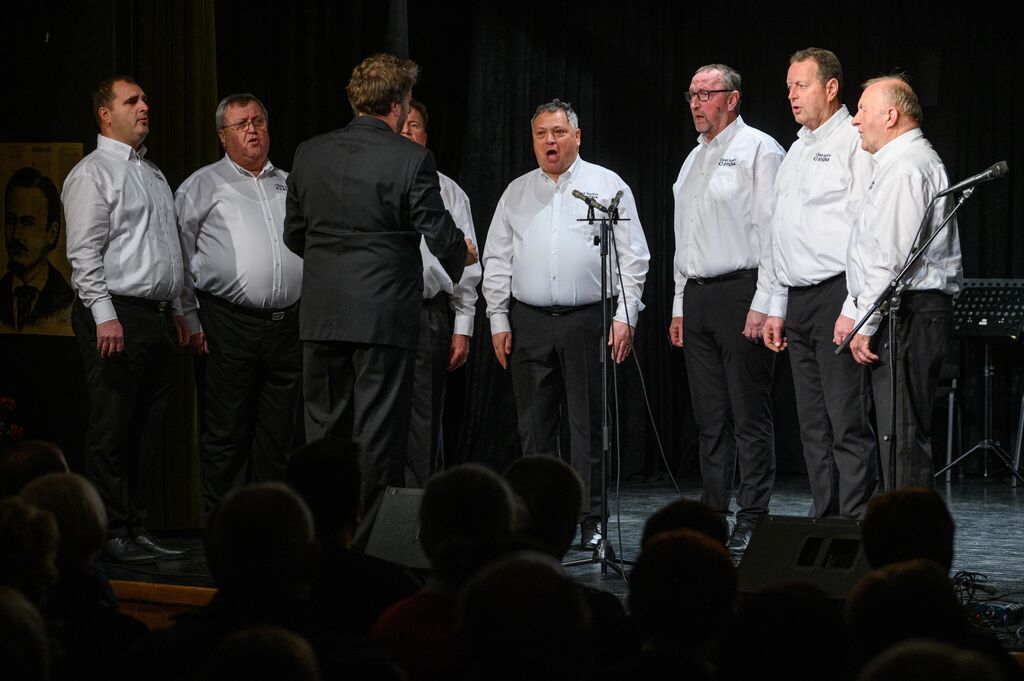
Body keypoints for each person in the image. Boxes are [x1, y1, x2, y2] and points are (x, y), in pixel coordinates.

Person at [284, 54, 472, 510]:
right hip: (382, 319)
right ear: (397, 104)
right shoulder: (411, 158)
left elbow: (293, 234)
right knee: (376, 439)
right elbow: (438, 232)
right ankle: (366, 541)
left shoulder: (309, 152)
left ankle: (324, 535)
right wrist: (461, 253)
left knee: (324, 437)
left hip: (323, 316)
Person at [482, 98, 650, 550]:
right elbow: (496, 259)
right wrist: (497, 317)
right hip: (529, 321)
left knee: (587, 427)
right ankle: (539, 519)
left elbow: (633, 257)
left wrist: (626, 315)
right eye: (541, 134)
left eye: (558, 132)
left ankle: (591, 519)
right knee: (534, 428)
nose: (549, 141)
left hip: (587, 320)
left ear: (577, 136)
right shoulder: (516, 192)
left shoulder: (606, 185)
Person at [62, 75, 189, 563]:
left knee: (147, 430)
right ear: (105, 114)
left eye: (144, 99)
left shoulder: (152, 173)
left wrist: (178, 310)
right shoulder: (93, 173)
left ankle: (136, 525)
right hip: (116, 313)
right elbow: (84, 254)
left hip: (155, 317)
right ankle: (109, 531)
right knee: (111, 429)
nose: (144, 106)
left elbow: (168, 251)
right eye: (131, 100)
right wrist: (104, 316)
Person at [669, 64, 785, 550]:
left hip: (742, 292)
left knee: (748, 413)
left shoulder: (760, 149)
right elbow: (684, 238)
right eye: (692, 95)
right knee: (710, 417)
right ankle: (714, 513)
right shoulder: (692, 160)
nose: (696, 103)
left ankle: (753, 515)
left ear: (732, 99)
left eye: (706, 94)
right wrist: (679, 304)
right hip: (698, 296)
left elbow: (773, 232)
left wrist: (766, 301)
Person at [761, 48, 878, 519]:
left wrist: (855, 303)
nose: (792, 95)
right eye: (789, 86)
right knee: (812, 423)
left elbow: (869, 227)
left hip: (838, 293)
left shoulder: (854, 142)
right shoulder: (794, 151)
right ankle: (824, 516)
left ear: (831, 88)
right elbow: (778, 232)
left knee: (846, 419)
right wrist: (775, 304)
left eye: (802, 85)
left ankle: (853, 521)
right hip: (798, 299)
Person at [176, 93, 304, 515]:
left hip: (287, 327)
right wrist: (189, 317)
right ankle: (224, 531)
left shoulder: (290, 182)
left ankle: (270, 527)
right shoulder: (202, 185)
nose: (252, 130)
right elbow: (179, 255)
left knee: (277, 438)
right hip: (227, 324)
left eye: (258, 121)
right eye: (241, 124)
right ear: (222, 136)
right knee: (226, 435)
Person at [845, 74, 961, 488]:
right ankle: (903, 521)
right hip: (906, 311)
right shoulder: (898, 164)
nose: (855, 120)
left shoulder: (907, 168)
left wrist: (865, 322)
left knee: (903, 437)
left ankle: (910, 526)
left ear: (890, 116)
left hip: (911, 312)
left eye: (862, 110)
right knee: (896, 434)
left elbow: (891, 260)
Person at [399, 99, 482, 487]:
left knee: (425, 419)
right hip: (377, 311)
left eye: (413, 125)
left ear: (425, 136)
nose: (406, 132)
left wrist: (462, 326)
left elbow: (468, 264)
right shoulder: (371, 185)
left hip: (428, 311)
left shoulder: (448, 191)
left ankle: (419, 508)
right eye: (400, 125)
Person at [2, 166, 74, 331]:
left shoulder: (66, 300)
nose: (16, 234)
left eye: (28, 223)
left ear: (51, 233)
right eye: (11, 220)